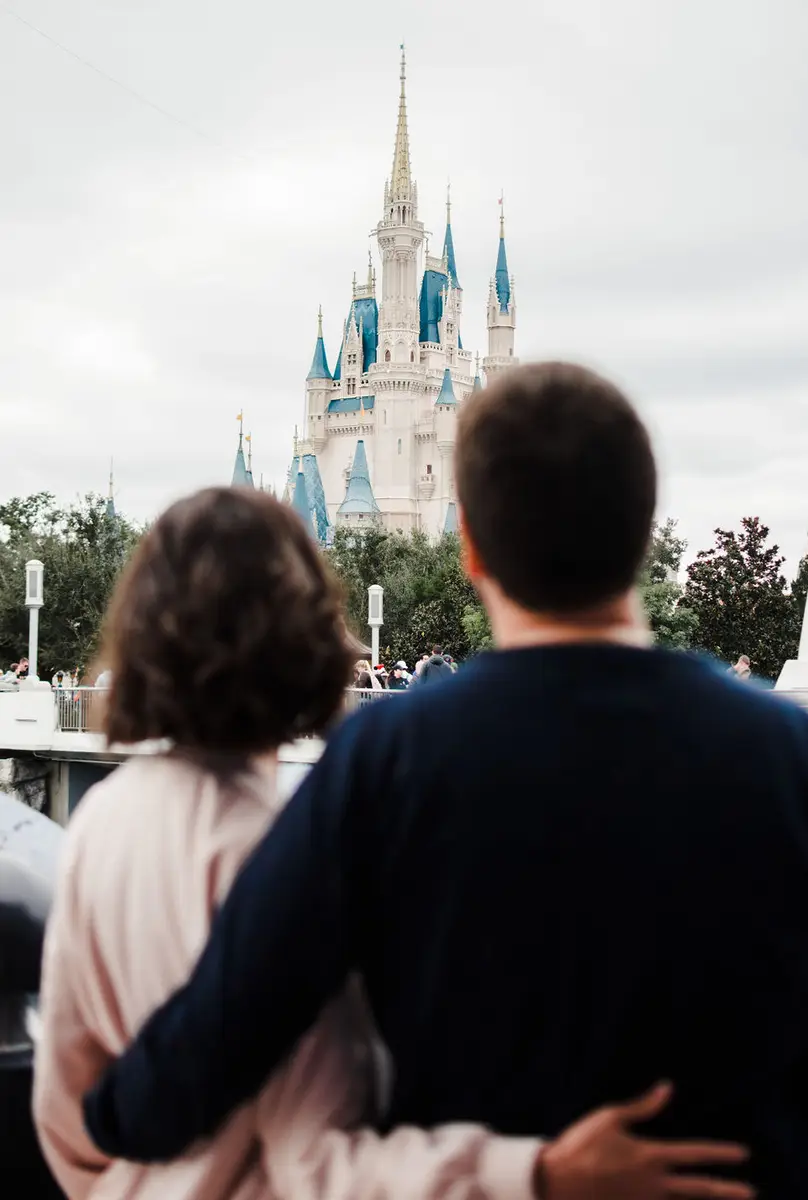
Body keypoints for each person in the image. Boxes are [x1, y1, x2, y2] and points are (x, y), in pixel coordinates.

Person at [81, 362, 808, 1197]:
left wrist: (113, 1114)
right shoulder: (789, 752)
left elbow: (223, 1030)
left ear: (471, 547)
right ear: (641, 533)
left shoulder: (389, 759)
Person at [34, 486, 747, 1200]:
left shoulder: (103, 818)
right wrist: (538, 1174)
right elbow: (316, 1165)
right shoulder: (273, 847)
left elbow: (65, 1110)